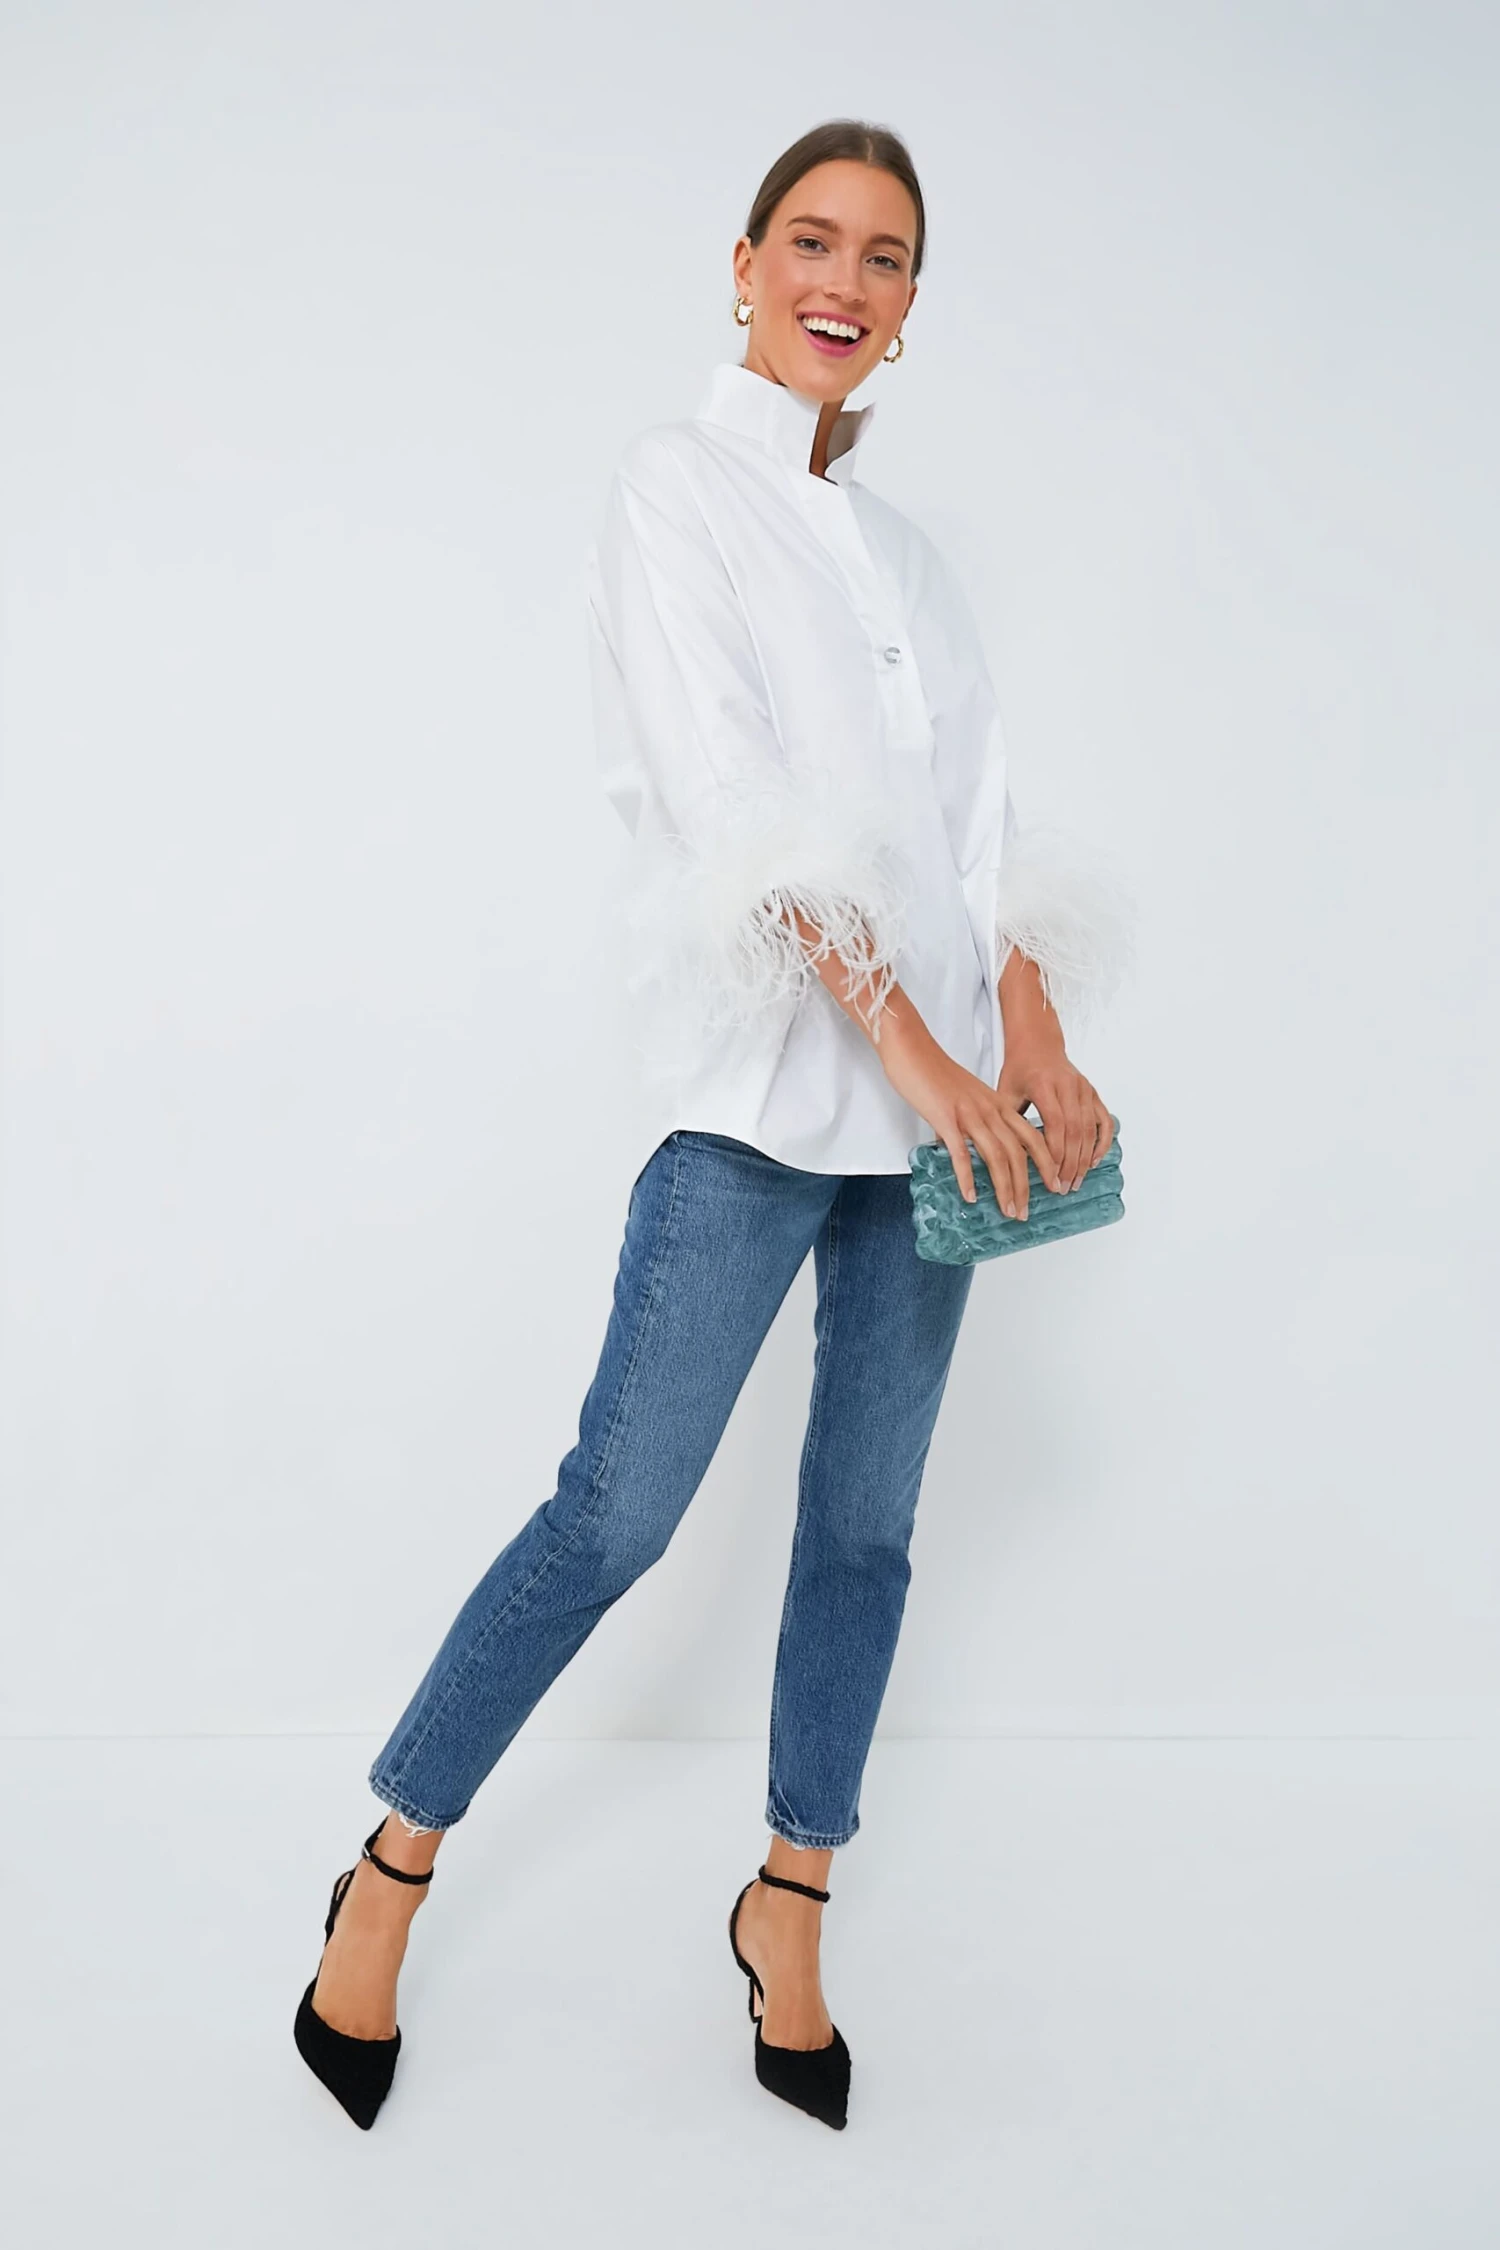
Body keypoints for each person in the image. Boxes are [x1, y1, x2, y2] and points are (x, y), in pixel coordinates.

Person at [293, 116, 1131, 2135]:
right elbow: (741, 811)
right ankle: (389, 1866)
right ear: (745, 263)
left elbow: (985, 836)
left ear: (911, 310)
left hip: (936, 1142)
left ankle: (789, 1904)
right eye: (813, 240)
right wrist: (913, 1054)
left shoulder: (912, 561)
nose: (846, 279)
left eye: (887, 256)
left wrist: (1029, 1037)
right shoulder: (672, 489)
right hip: (768, 1106)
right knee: (615, 1515)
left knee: (866, 1532)